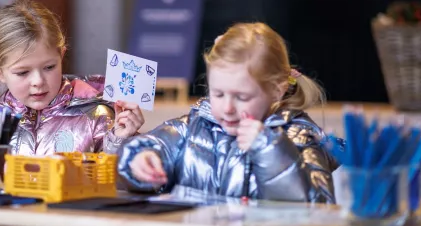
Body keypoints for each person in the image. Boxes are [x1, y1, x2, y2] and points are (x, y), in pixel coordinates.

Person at [117, 22, 339, 203]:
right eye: (218, 94)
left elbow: (318, 205)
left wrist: (270, 150)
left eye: (242, 97)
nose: (228, 108)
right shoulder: (191, 127)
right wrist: (140, 161)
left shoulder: (298, 137)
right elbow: (156, 145)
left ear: (276, 91)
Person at [0, 0, 142, 226]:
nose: (38, 81)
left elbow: (125, 194)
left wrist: (121, 141)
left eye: (49, 67)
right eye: (23, 72)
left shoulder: (97, 113)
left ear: (62, 55)